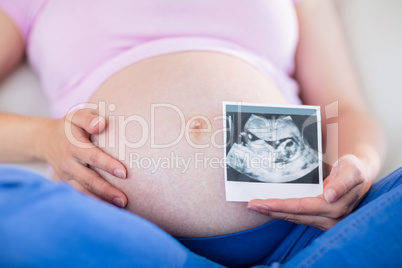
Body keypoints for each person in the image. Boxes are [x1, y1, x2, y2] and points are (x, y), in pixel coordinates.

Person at [0, 0, 397, 266]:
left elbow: (346, 109)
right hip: (123, 236)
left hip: (302, 232)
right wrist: (45, 139)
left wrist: (355, 168)